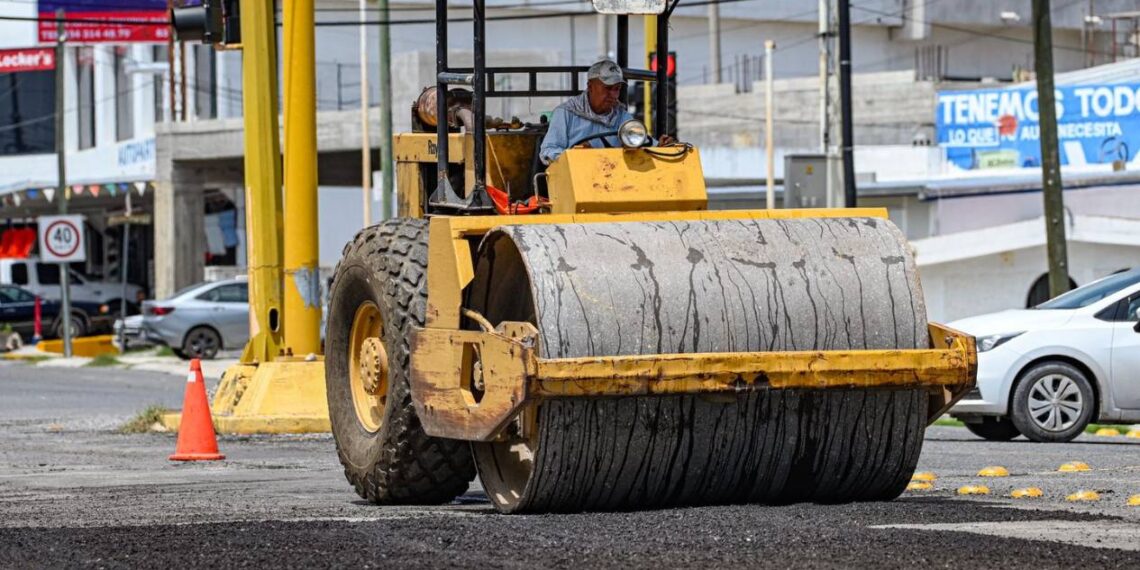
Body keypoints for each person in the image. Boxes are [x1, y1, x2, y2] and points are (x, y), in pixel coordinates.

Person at [539, 59, 672, 165]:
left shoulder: (622, 117)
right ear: (590, 86)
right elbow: (548, 151)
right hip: (575, 182)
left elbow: (641, 143)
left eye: (617, 89)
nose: (614, 95)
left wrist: (660, 147)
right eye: (608, 88)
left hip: (613, 183)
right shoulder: (565, 113)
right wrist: (575, 156)